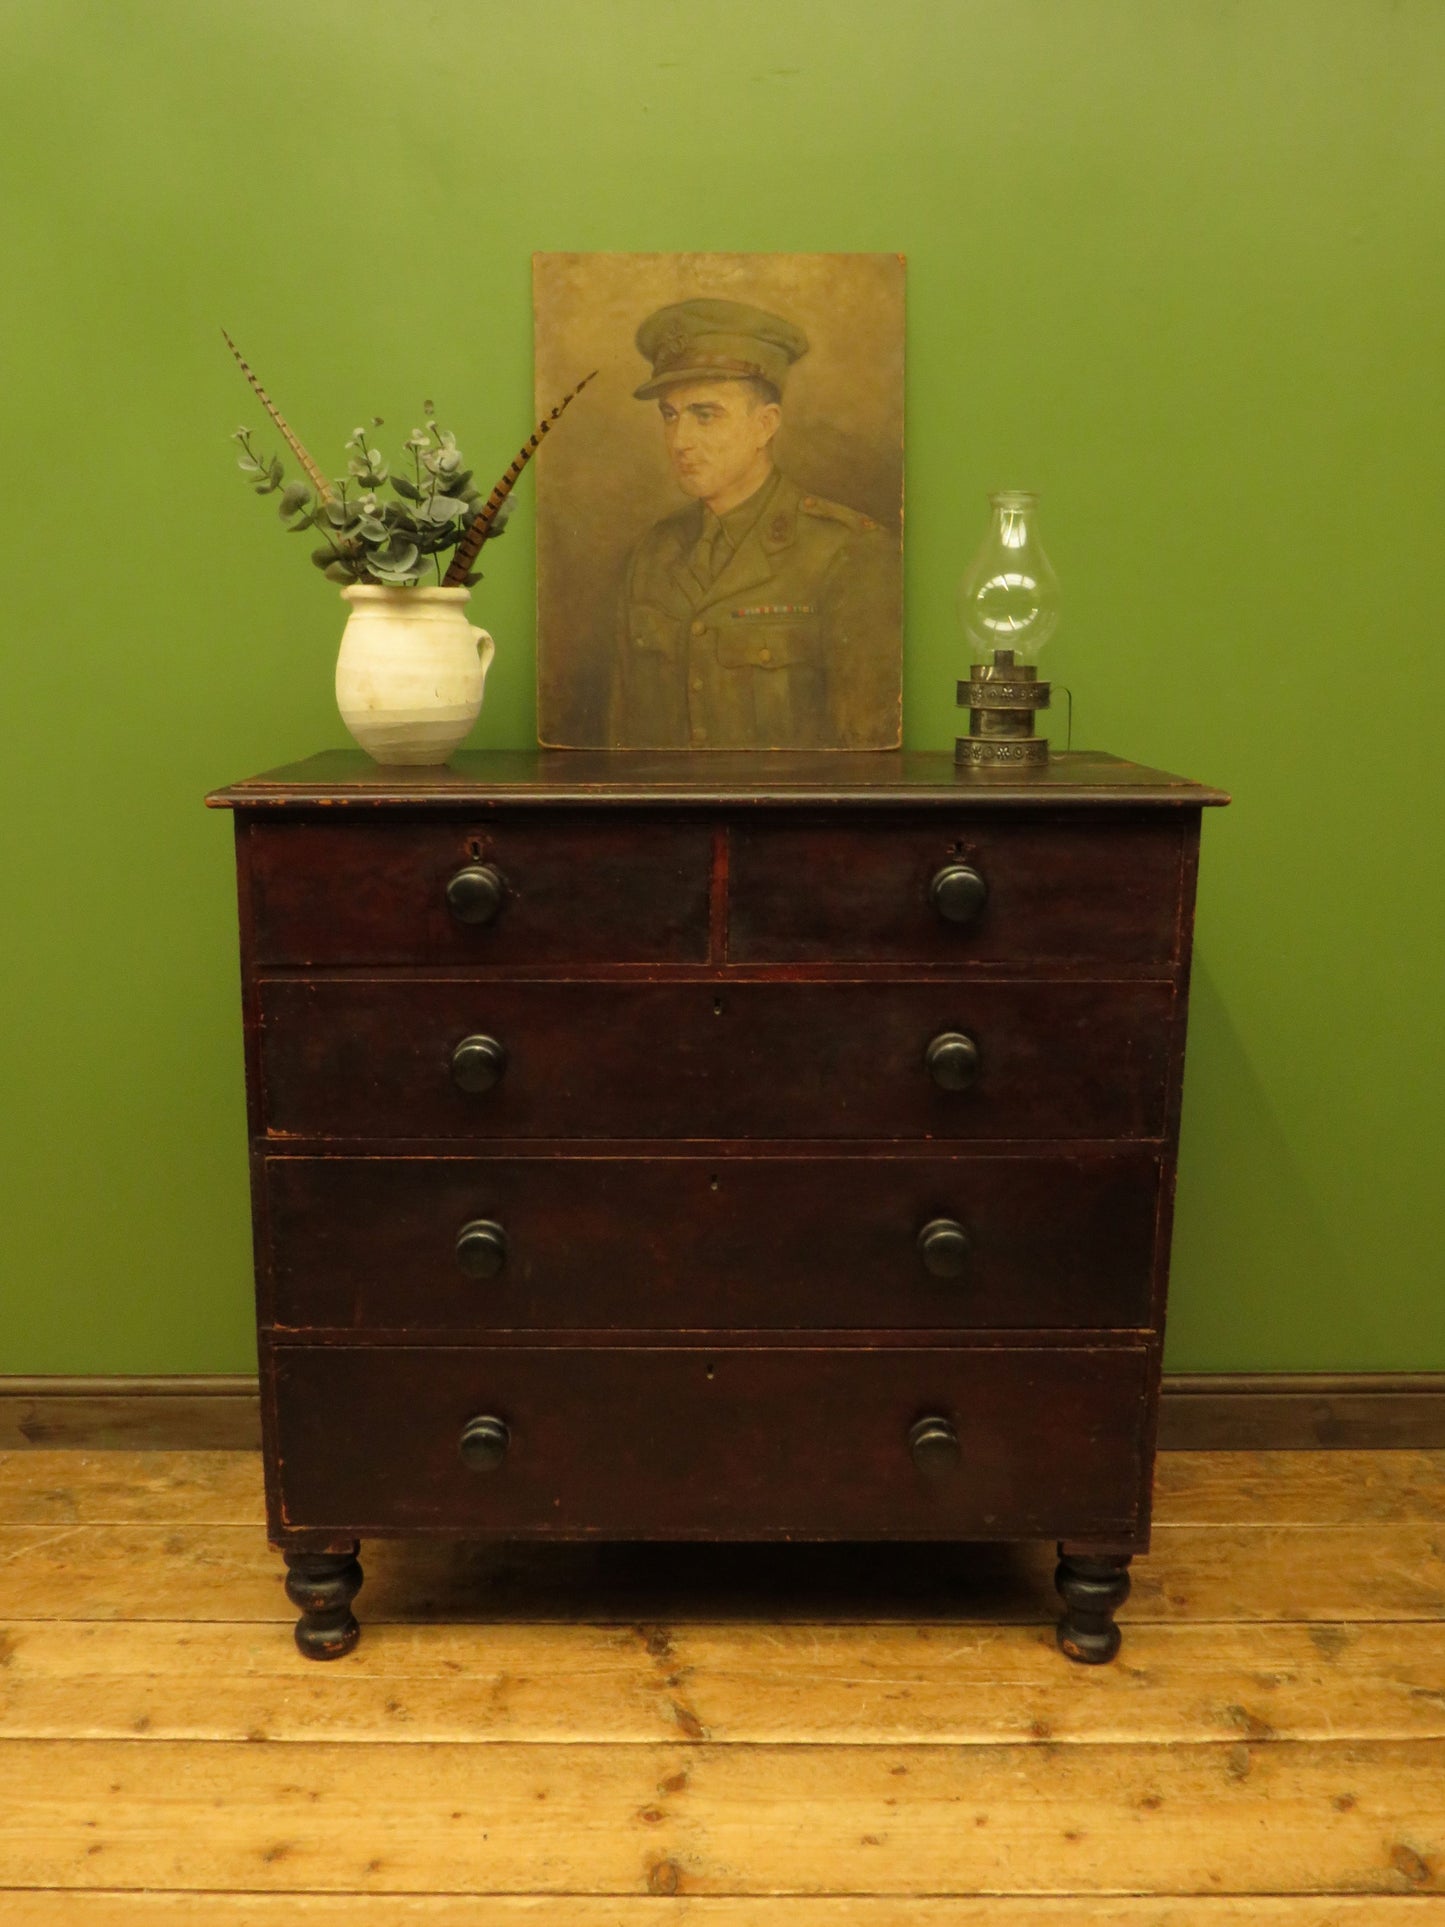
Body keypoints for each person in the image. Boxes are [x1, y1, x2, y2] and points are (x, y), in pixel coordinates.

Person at [608, 297, 901, 749]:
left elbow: (865, 755)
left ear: (765, 425)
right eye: (670, 415)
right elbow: (621, 746)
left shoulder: (848, 553)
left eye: (705, 415)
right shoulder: (653, 554)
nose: (680, 440)